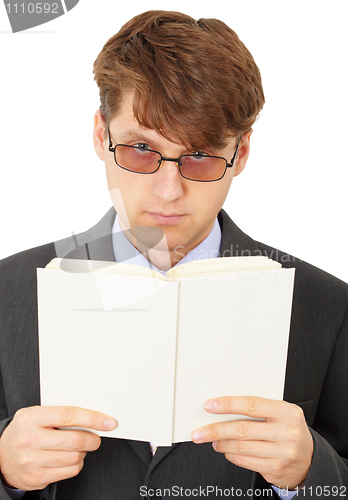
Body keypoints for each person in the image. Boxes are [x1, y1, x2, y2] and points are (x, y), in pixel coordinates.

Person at [0, 9, 347, 500]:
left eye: (201, 156)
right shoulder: (6, 293)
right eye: (141, 148)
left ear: (241, 153)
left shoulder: (329, 306)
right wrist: (3, 470)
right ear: (102, 135)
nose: (168, 192)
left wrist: (312, 471)